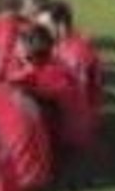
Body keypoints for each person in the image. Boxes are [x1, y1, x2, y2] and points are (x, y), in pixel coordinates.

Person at [9, 25, 95, 158]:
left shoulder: (34, 77)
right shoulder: (58, 67)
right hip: (81, 134)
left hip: (66, 142)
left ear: (26, 52)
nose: (14, 49)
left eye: (17, 46)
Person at [37, 0, 104, 117]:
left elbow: (77, 95)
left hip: (74, 120)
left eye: (46, 27)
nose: (40, 32)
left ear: (61, 25)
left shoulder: (75, 54)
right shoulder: (60, 44)